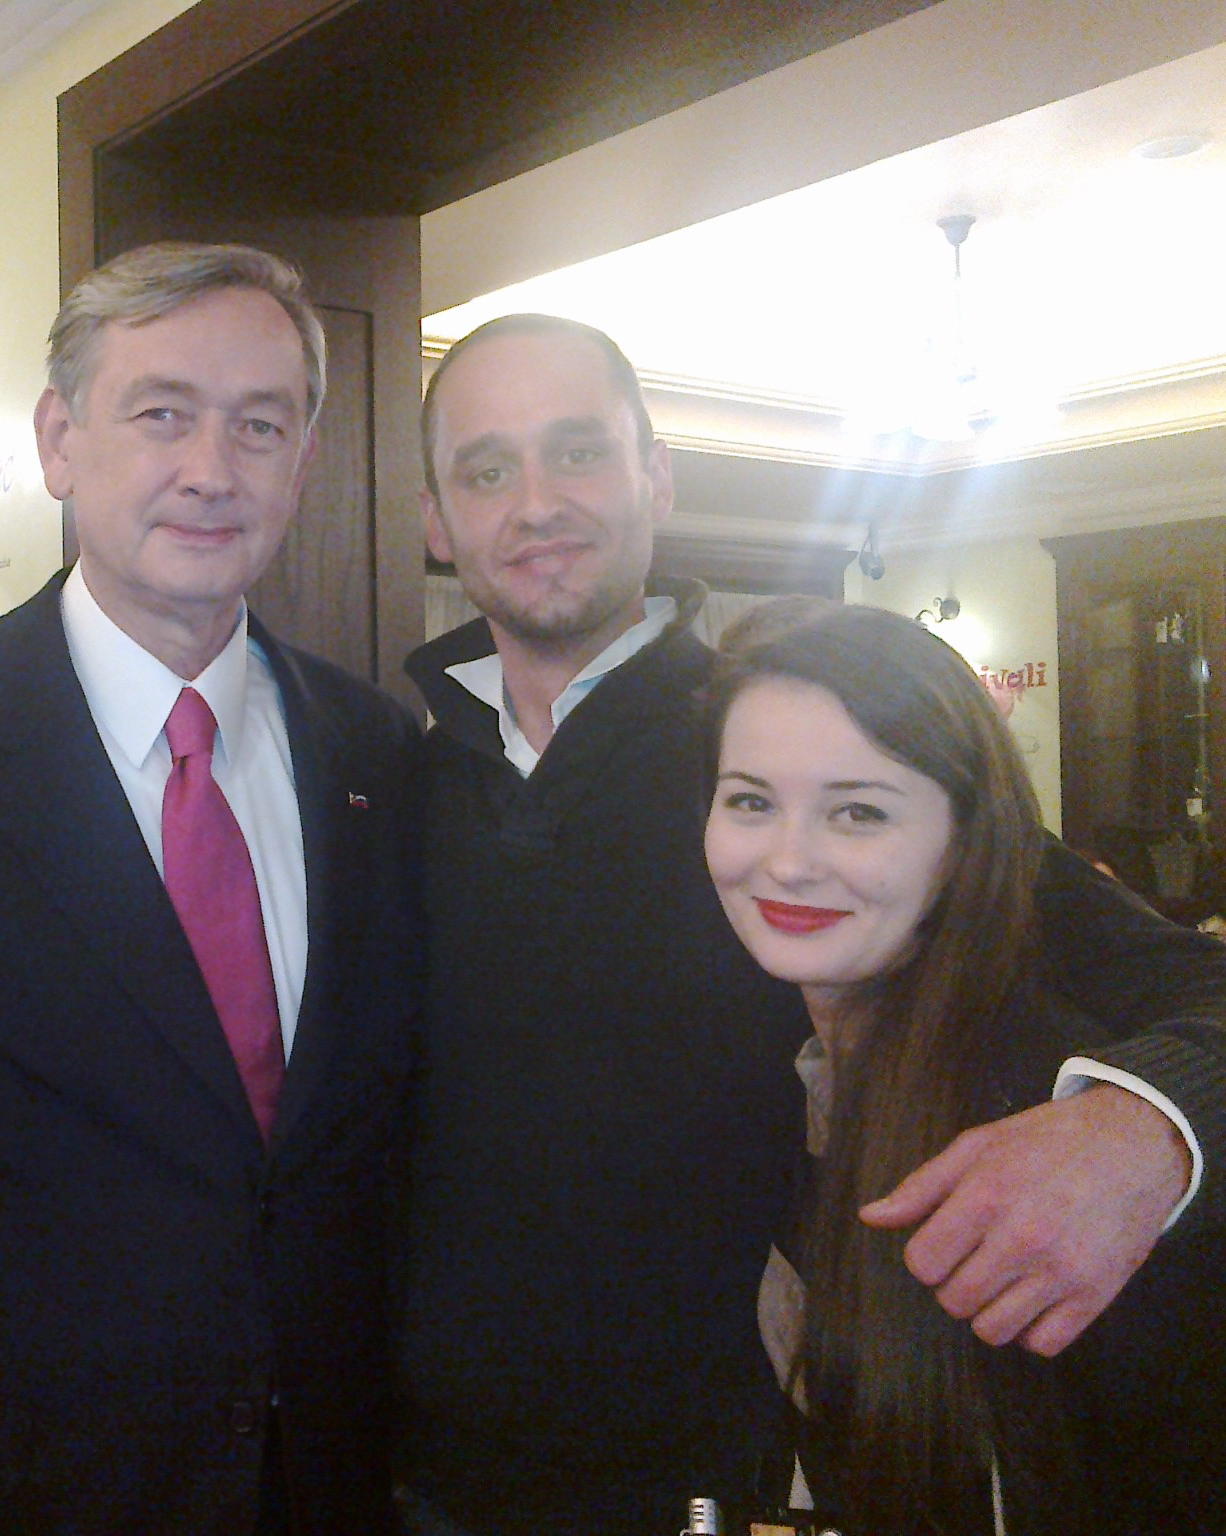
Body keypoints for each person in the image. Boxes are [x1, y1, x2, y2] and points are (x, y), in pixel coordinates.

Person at [394, 313, 1226, 1535]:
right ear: (433, 518)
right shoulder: (387, 782)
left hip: (744, 1480)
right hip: (440, 1482)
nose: (535, 504)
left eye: (577, 452)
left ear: (654, 476)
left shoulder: (786, 741)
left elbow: (1187, 984)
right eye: (484, 470)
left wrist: (1146, 1129)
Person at [0, 243, 421, 1535]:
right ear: (59, 440)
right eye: (161, 412)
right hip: (8, 1493)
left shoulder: (374, 752)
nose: (211, 470)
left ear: (303, 461)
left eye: (259, 425)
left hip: (318, 1482)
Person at [705, 598, 1226, 1534]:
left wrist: (1156, 1125)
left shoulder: (1041, 1124)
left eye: (859, 811)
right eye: (750, 800)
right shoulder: (780, 1044)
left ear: (963, 842)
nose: (786, 862)